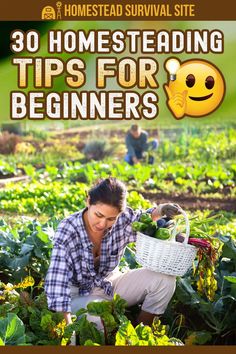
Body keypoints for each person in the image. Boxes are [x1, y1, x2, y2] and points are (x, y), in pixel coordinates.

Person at [44, 177, 181, 333]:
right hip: (77, 294)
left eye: (111, 219)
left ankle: (139, 334)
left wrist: (162, 210)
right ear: (88, 201)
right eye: (98, 215)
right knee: (97, 317)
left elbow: (144, 219)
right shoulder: (68, 228)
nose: (102, 224)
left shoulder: (122, 219)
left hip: (110, 283)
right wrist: (67, 328)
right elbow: (57, 282)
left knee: (165, 280)